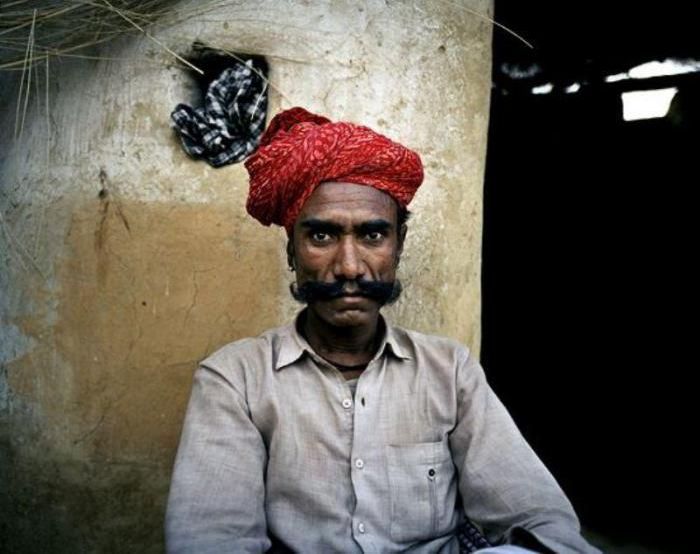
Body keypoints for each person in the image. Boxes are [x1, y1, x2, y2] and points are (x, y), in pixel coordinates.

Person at [165, 107, 600, 554]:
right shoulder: (234, 379)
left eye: (373, 236)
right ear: (292, 251)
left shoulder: (448, 370)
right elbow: (212, 540)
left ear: (398, 246)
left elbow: (537, 517)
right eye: (321, 237)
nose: (349, 266)